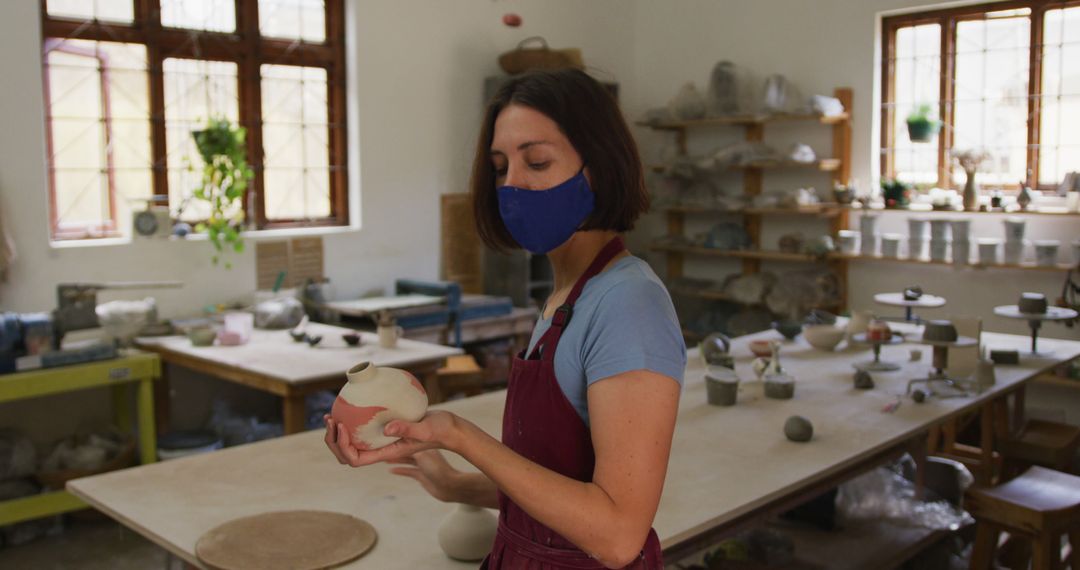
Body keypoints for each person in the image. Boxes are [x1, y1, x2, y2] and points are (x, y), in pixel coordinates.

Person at [324, 68, 686, 569]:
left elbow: (617, 534)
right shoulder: (565, 295)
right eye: (500, 167)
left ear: (598, 167)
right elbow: (562, 484)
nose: (512, 185)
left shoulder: (629, 303)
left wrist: (460, 436)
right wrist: (456, 485)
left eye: (536, 161)